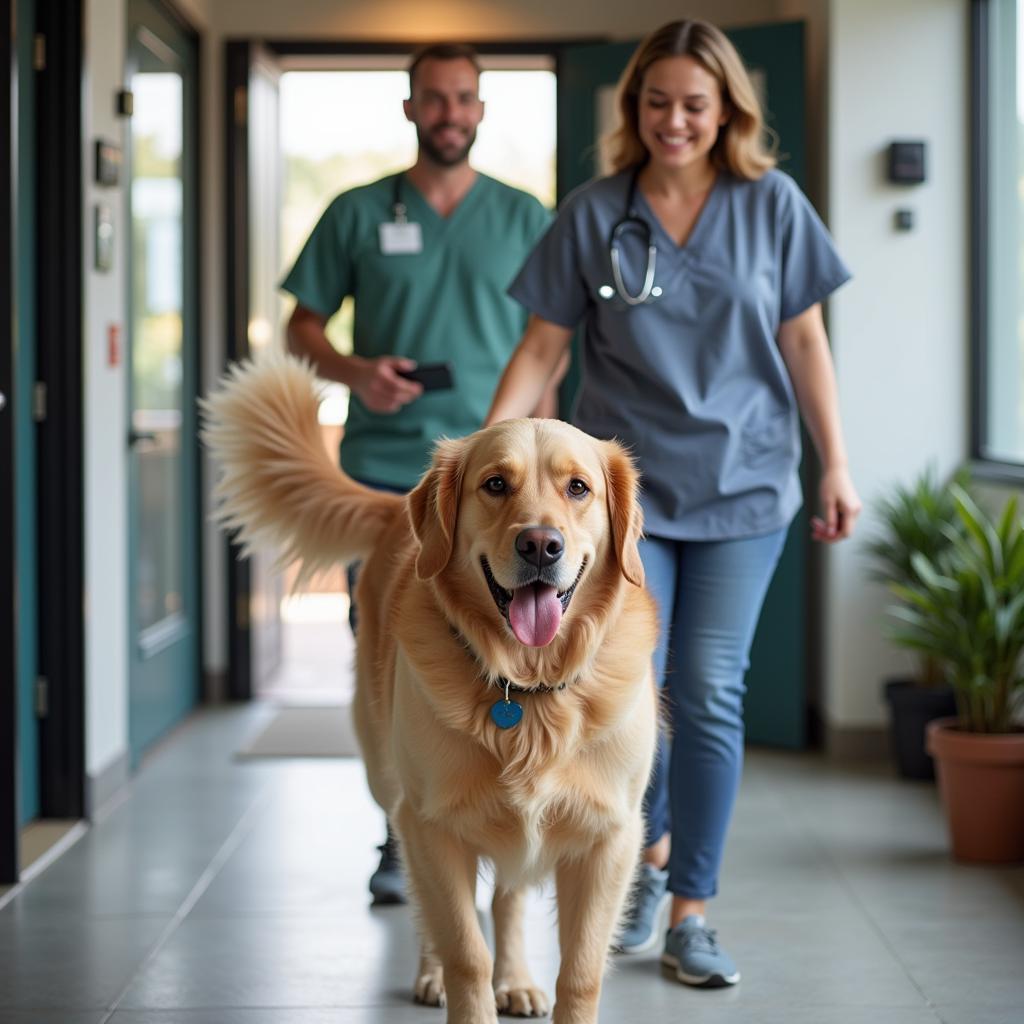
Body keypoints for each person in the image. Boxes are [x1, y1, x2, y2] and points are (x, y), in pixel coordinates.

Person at [486, 19, 861, 988]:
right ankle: (640, 855)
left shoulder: (771, 203)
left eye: (694, 103)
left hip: (745, 486)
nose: (674, 121)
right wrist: (488, 455)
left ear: (726, 108)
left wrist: (835, 464)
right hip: (617, 501)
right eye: (656, 102)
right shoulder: (595, 210)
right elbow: (541, 349)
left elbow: (806, 342)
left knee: (706, 689)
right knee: (623, 692)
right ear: (634, 109)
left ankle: (691, 904)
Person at [281, 43, 553, 906]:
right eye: (434, 99)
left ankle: (495, 822)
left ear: (482, 111)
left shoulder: (523, 217)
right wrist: (357, 372)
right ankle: (407, 831)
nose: (449, 113)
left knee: (506, 655)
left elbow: (552, 343)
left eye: (464, 99)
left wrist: (524, 449)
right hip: (389, 480)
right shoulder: (359, 213)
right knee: (395, 661)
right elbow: (301, 327)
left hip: (497, 492)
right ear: (409, 109)